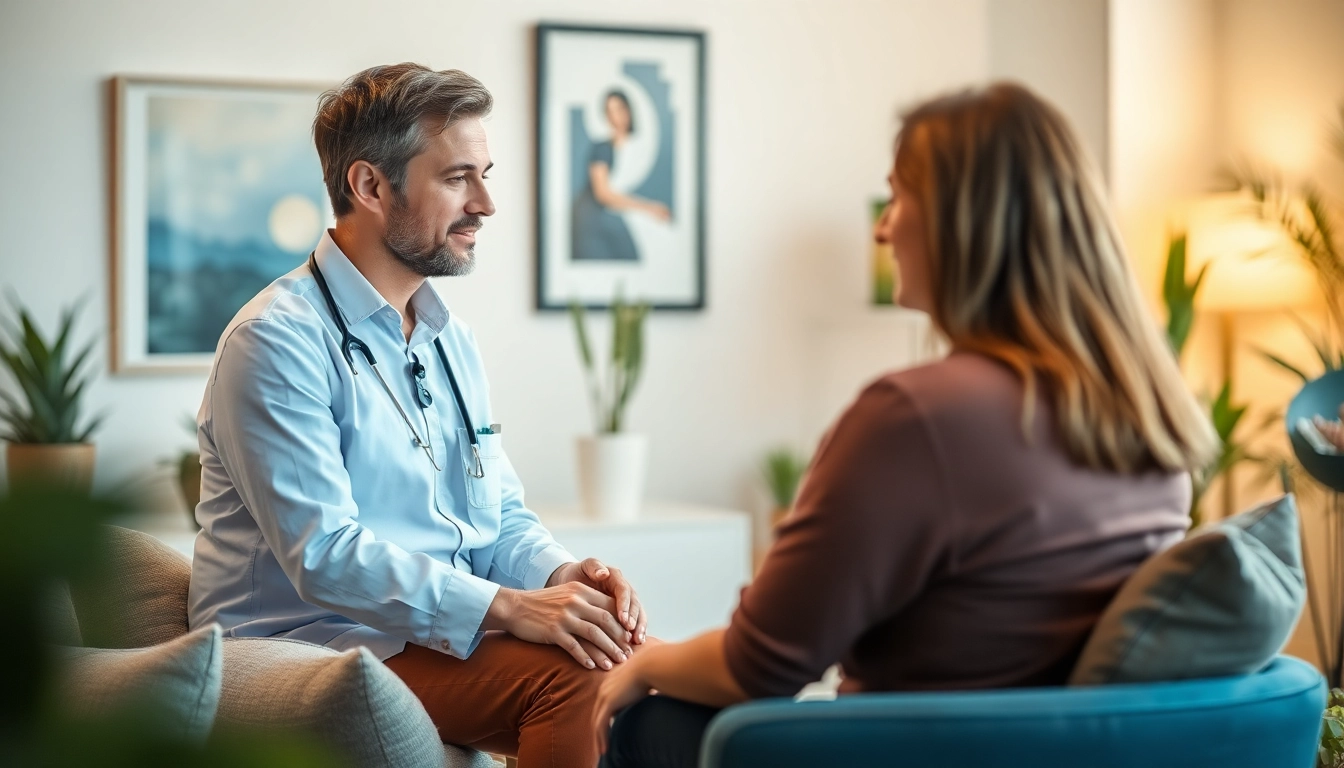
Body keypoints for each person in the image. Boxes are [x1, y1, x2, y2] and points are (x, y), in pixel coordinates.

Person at [590, 82, 1220, 767]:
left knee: (656, 724)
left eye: (896, 197)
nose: (882, 229)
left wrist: (645, 664)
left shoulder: (917, 418)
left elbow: (757, 667)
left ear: (963, 220)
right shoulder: (1149, 414)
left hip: (922, 754)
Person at [187, 63, 647, 768]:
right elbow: (325, 555)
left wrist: (561, 580)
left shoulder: (446, 338)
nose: (487, 203)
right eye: (459, 177)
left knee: (651, 679)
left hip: (424, 636)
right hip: (308, 648)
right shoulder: (274, 341)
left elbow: (498, 513)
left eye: (486, 173)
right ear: (370, 186)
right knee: (580, 680)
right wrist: (508, 608)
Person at [571, 90, 671, 262]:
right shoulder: (602, 149)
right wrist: (648, 208)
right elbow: (603, 193)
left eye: (619, 109)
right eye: (610, 112)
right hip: (596, 218)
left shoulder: (640, 147)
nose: (616, 117)